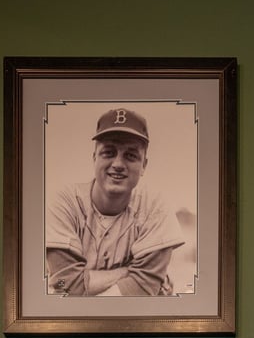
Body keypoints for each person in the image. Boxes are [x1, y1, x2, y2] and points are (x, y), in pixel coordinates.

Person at [46, 108, 184, 297]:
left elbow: (142, 288)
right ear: (94, 158)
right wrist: (130, 272)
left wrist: (86, 284)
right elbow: (65, 286)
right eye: (109, 152)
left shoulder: (155, 208)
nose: (118, 164)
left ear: (144, 165)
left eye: (131, 155)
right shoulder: (65, 203)